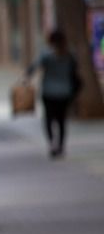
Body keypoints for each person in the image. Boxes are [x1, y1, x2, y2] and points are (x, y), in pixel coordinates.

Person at [26, 29, 83, 158]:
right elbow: (75, 72)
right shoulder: (70, 54)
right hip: (65, 92)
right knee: (62, 120)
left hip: (49, 92)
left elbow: (33, 67)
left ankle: (52, 143)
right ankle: (61, 146)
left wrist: (26, 78)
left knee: (49, 119)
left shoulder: (46, 54)